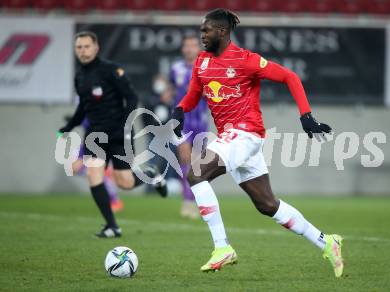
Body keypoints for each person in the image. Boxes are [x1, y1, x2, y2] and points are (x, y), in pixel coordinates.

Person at [171, 9, 343, 277]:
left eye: (206, 30)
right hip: (233, 139)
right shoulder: (202, 62)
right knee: (267, 204)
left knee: (195, 173)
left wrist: (306, 115)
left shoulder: (245, 60)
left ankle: (222, 247)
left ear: (223, 32)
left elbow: (290, 77)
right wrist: (180, 109)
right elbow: (193, 95)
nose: (202, 35)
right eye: (201, 30)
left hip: (246, 133)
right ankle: (326, 241)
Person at [58, 31, 167, 238]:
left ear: (96, 47)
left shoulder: (110, 70)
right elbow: (83, 106)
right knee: (93, 174)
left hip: (119, 133)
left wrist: (126, 126)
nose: (83, 51)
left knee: (124, 183)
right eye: (79, 47)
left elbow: (132, 98)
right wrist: (69, 126)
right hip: (95, 136)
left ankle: (151, 174)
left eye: (87, 46)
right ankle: (112, 226)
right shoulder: (80, 76)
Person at [170, 35, 209, 219]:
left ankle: (196, 202)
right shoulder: (175, 68)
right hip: (182, 121)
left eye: (193, 45)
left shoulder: (206, 67)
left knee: (198, 165)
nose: (189, 49)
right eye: (186, 45)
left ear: (198, 48)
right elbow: (172, 91)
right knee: (185, 159)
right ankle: (187, 203)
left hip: (200, 121)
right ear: (182, 48)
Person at [68, 117, 124, 212]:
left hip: (101, 147)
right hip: (89, 146)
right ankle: (111, 199)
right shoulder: (91, 112)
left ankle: (114, 201)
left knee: (103, 175)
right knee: (74, 168)